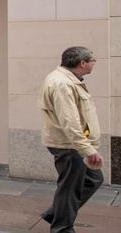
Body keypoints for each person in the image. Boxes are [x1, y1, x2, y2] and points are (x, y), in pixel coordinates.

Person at [39, 46, 103, 231]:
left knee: (93, 179)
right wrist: (88, 149)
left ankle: (57, 214)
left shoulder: (67, 80)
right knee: (70, 187)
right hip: (69, 145)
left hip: (73, 144)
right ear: (82, 63)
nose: (94, 63)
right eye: (93, 60)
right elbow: (70, 121)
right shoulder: (63, 84)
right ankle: (62, 227)